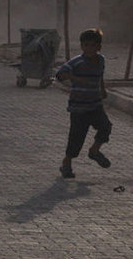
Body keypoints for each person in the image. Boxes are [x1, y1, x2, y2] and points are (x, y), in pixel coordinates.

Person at [54, 28, 112, 179]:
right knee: (77, 137)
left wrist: (102, 90)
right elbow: (60, 74)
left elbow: (100, 76)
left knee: (105, 127)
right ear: (82, 46)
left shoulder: (101, 60)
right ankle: (66, 163)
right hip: (79, 107)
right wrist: (77, 79)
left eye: (93, 46)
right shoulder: (76, 62)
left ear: (99, 47)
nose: (89, 49)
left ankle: (94, 151)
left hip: (95, 104)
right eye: (86, 45)